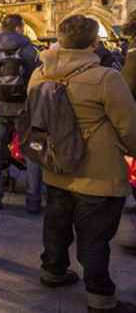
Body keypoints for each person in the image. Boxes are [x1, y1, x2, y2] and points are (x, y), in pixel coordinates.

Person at [30, 15, 136, 313]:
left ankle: (53, 269)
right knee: (95, 235)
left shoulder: (40, 74)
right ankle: (100, 297)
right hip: (97, 172)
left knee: (56, 224)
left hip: (56, 165)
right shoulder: (105, 77)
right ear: (94, 43)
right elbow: (128, 126)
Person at [0, 13, 43, 213]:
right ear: (19, 28)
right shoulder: (31, 50)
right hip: (25, 109)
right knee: (32, 153)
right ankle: (33, 201)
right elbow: (40, 77)